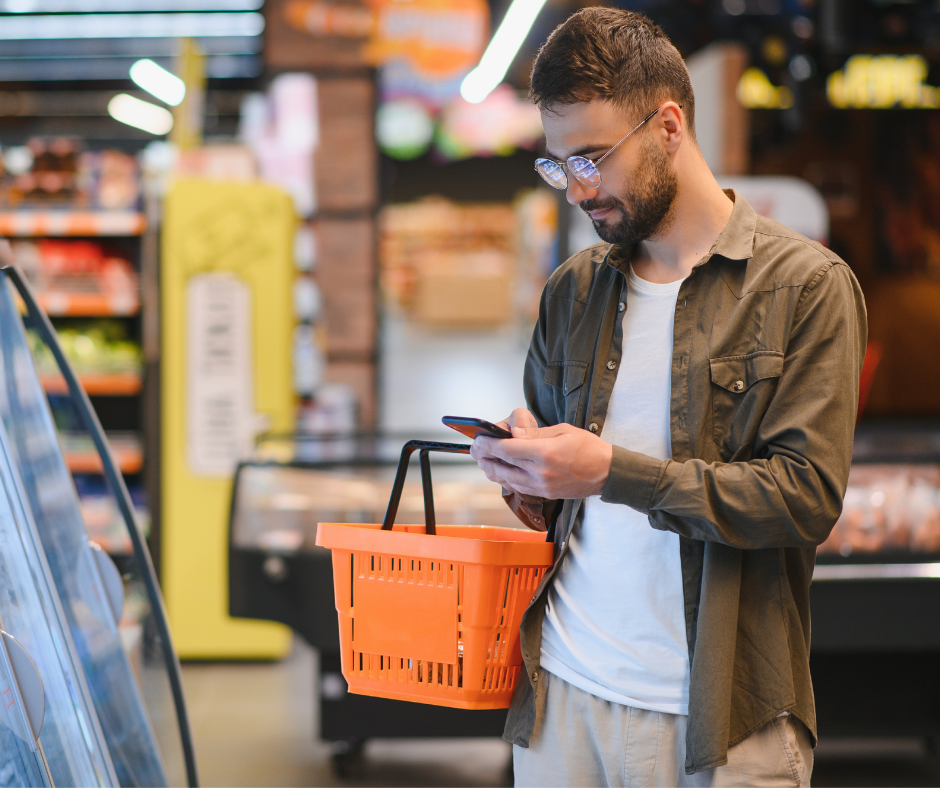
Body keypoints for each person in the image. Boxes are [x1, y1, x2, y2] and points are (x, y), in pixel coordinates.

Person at [469, 8, 867, 787]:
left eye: (592, 159)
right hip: (561, 701)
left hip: (723, 717)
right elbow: (561, 503)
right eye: (559, 165)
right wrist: (530, 474)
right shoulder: (573, 290)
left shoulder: (805, 287)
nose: (577, 189)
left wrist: (609, 471)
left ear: (669, 127)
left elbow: (804, 499)